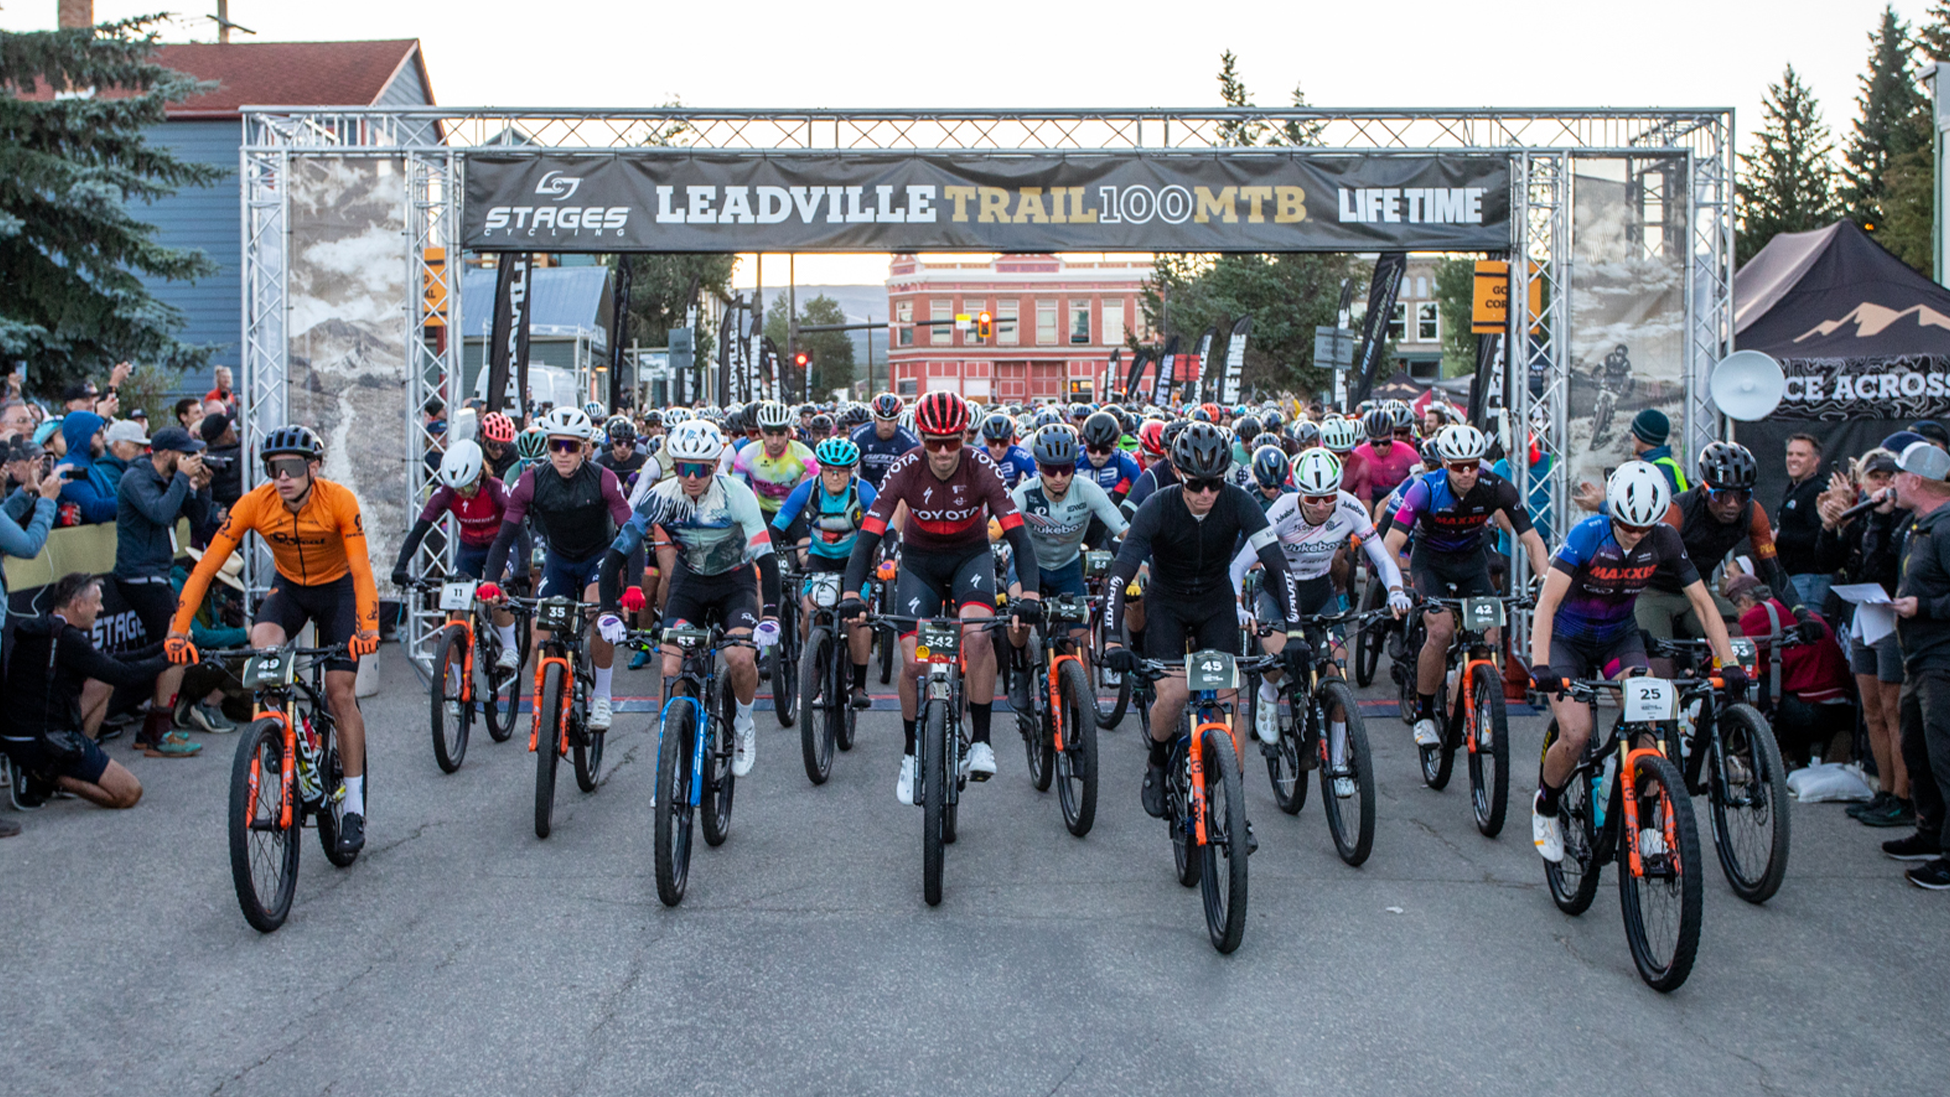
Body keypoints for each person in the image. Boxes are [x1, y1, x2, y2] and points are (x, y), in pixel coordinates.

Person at [166, 425, 381, 855]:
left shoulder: (339, 500)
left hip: (338, 591)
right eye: (273, 468)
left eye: (291, 467)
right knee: (263, 652)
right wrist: (178, 628)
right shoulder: (255, 504)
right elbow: (207, 567)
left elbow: (361, 572)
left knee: (339, 695)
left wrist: (369, 628)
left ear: (313, 468)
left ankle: (354, 807)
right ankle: (279, 731)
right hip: (291, 589)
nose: (281, 477)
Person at [1529, 462, 1743, 862]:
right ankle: (1546, 804)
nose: (1635, 535)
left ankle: (1644, 822)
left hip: (1618, 638)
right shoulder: (1587, 536)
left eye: (1644, 529)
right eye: (1627, 526)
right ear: (1612, 513)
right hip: (1566, 641)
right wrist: (1540, 665)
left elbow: (1702, 601)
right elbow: (1547, 605)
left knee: (1649, 724)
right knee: (1576, 733)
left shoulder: (1664, 539)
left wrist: (1728, 660)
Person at [837, 391, 1040, 800]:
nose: (944, 452)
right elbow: (868, 539)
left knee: (979, 635)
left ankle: (981, 742)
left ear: (965, 436)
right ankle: (912, 753)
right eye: (934, 442)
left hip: (970, 559)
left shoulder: (981, 465)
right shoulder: (905, 467)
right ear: (922, 439)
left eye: (953, 441)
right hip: (920, 565)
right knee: (914, 665)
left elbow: (1018, 535)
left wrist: (1030, 594)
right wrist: (850, 593)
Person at [1100, 421, 1300, 835]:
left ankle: (1234, 800)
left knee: (1228, 702)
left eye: (1215, 484)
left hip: (1215, 604)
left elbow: (1279, 567)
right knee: (1173, 695)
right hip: (1168, 603)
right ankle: (1157, 760)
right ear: (1177, 473)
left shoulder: (1239, 502)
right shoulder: (1157, 505)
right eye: (1197, 484)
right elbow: (1120, 575)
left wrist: (1294, 632)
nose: (1207, 494)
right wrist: (1114, 639)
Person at [596, 420, 781, 776]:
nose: (691, 477)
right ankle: (670, 761)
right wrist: (608, 610)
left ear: (714, 467)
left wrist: (770, 615)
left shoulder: (736, 495)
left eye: (700, 469)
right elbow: (618, 553)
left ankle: (743, 725)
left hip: (734, 581)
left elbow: (767, 559)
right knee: (670, 666)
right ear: (674, 465)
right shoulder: (662, 496)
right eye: (684, 468)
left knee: (740, 656)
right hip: (689, 583)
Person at [1235, 449, 1410, 786]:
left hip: (1319, 592)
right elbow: (1239, 565)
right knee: (1278, 659)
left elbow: (1384, 558)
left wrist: (1397, 591)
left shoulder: (1348, 506)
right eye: (1312, 499)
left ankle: (1341, 759)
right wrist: (1239, 606)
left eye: (1328, 497)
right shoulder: (1281, 511)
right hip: (1276, 592)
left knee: (1336, 672)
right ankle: (1268, 695)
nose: (1321, 506)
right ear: (1298, 492)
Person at [1383, 423, 1551, 750]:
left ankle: (1481, 704)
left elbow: (1532, 540)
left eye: (1472, 465)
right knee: (1441, 630)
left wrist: (1544, 581)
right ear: (1444, 463)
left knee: (1487, 635)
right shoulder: (1425, 489)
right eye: (1458, 466)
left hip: (1472, 562)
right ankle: (1424, 712)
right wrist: (1396, 588)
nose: (1466, 473)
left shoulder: (1495, 486)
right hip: (1430, 562)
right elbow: (1391, 542)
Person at [482, 406, 631, 732]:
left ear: (584, 447)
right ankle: (544, 700)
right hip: (559, 560)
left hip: (598, 557)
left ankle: (602, 696)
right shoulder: (529, 482)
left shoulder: (603, 479)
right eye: (556, 446)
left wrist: (631, 586)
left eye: (571, 446)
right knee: (540, 631)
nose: (563, 454)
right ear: (548, 446)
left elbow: (631, 535)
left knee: (597, 611)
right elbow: (504, 537)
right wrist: (491, 581)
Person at [1634, 442, 1815, 663]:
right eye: (1721, 495)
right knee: (1661, 671)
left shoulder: (1753, 514)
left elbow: (1775, 573)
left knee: (1735, 638)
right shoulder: (1676, 513)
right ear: (1704, 489)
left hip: (1697, 591)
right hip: (1653, 593)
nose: (1732, 504)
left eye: (1741, 495)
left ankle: (1727, 697)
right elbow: (1632, 564)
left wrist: (1802, 614)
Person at [2, 573, 156, 814]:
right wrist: (169, 659)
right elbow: (124, 674)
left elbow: (112, 664)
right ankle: (46, 775)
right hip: (40, 739)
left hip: (22, 731)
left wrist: (164, 648)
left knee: (103, 684)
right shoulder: (67, 638)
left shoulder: (47, 625)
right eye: (96, 602)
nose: (101, 608)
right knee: (129, 792)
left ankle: (57, 765)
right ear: (78, 604)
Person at [1816, 447, 1912, 827]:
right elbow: (1828, 561)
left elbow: (1882, 564)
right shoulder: (1863, 514)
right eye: (1876, 477)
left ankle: (1903, 795)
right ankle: (1884, 789)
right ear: (1863, 480)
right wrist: (1830, 524)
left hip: (1892, 618)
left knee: (1894, 711)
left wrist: (1880, 518)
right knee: (1872, 710)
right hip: (1863, 614)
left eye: (1891, 476)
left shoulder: (1902, 518)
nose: (1884, 484)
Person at [1006, 424, 1129, 700]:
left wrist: (1141, 564)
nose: (1059, 476)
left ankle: (1078, 722)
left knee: (1080, 644)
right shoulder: (1024, 493)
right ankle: (1018, 668)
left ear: (1075, 465)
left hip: (1067, 568)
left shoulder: (1088, 490)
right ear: (1038, 466)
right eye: (1050, 470)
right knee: (1018, 618)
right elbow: (993, 529)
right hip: (1029, 567)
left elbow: (1126, 534)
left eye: (1066, 468)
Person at [114, 426, 214, 755]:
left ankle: (154, 729)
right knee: (177, 645)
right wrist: (183, 480)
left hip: (155, 574)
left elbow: (197, 518)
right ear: (164, 453)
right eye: (185, 454)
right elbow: (160, 513)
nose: (190, 460)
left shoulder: (169, 479)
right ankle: (157, 731)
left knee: (174, 646)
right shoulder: (136, 478)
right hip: (138, 576)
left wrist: (203, 487)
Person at [392, 441, 521, 671]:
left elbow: (519, 527)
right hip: (469, 550)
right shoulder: (447, 493)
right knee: (455, 613)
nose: (463, 494)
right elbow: (419, 530)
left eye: (468, 488)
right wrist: (401, 565)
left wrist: (522, 571)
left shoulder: (496, 489)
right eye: (458, 489)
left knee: (495, 587)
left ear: (480, 474)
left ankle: (510, 647)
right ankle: (460, 685)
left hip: (500, 546)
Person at [1884, 441, 1950, 888]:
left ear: (1915, 480)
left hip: (1942, 659)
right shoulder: (1917, 524)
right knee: (1917, 748)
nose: (1890, 483)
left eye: (1896, 475)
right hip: (1918, 656)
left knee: (1944, 756)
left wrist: (1923, 605)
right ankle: (1930, 832)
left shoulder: (1945, 529)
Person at [771, 435, 878, 709]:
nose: (835, 475)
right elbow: (779, 524)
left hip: (856, 560)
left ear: (851, 470)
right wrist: (765, 553)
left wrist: (888, 554)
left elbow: (885, 527)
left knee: (858, 616)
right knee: (810, 612)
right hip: (819, 558)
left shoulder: (863, 491)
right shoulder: (807, 490)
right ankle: (815, 665)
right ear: (820, 468)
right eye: (829, 469)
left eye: (841, 470)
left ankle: (860, 685)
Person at [1726, 573, 1852, 766]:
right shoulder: (1781, 608)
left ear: (1744, 601)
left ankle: (1763, 755)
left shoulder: (1758, 614)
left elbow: (1727, 653)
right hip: (1840, 705)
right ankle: (1794, 756)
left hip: (1814, 708)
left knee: (1745, 682)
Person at [733, 401, 819, 520]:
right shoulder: (747, 454)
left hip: (795, 512)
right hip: (762, 512)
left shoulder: (804, 454)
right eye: (769, 434)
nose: (774, 441)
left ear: (789, 433)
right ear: (762, 432)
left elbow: (820, 487)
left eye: (780, 435)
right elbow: (735, 491)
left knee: (805, 538)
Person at [1776, 433, 1830, 612]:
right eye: (1790, 454)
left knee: (1808, 631)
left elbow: (1819, 536)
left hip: (1809, 579)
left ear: (1816, 461)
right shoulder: (1795, 488)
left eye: (1800, 455)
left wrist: (1779, 537)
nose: (1793, 459)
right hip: (1793, 576)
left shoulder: (1818, 490)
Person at [1353, 408, 1420, 512]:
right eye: (1375, 443)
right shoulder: (1359, 454)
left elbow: (1420, 480)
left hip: (1400, 498)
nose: (1381, 447)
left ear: (1392, 436)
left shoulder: (1408, 453)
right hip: (1370, 497)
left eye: (1385, 442)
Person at [56, 411, 117, 524]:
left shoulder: (92, 466)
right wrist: (131, 499)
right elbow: (94, 510)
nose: (104, 439)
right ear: (83, 435)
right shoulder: (69, 469)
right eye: (99, 433)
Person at [849, 392, 918, 490]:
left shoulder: (909, 442)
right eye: (882, 420)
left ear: (898, 419)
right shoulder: (859, 436)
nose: (886, 426)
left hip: (897, 491)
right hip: (866, 489)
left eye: (891, 421)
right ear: (874, 418)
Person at [1075, 411, 1141, 504]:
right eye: (1092, 449)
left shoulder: (1126, 461)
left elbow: (1142, 494)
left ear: (1114, 446)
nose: (1097, 455)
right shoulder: (1073, 458)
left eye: (1104, 450)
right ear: (1084, 442)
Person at [199, 411, 243, 510]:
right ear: (226, 433)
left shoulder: (204, 460)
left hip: (214, 515)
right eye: (231, 428)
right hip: (241, 511)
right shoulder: (242, 456)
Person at [979, 412, 1035, 489]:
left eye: (1003, 442)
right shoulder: (977, 455)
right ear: (985, 441)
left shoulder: (1019, 455)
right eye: (992, 442)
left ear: (1010, 441)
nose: (997, 448)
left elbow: (1037, 481)